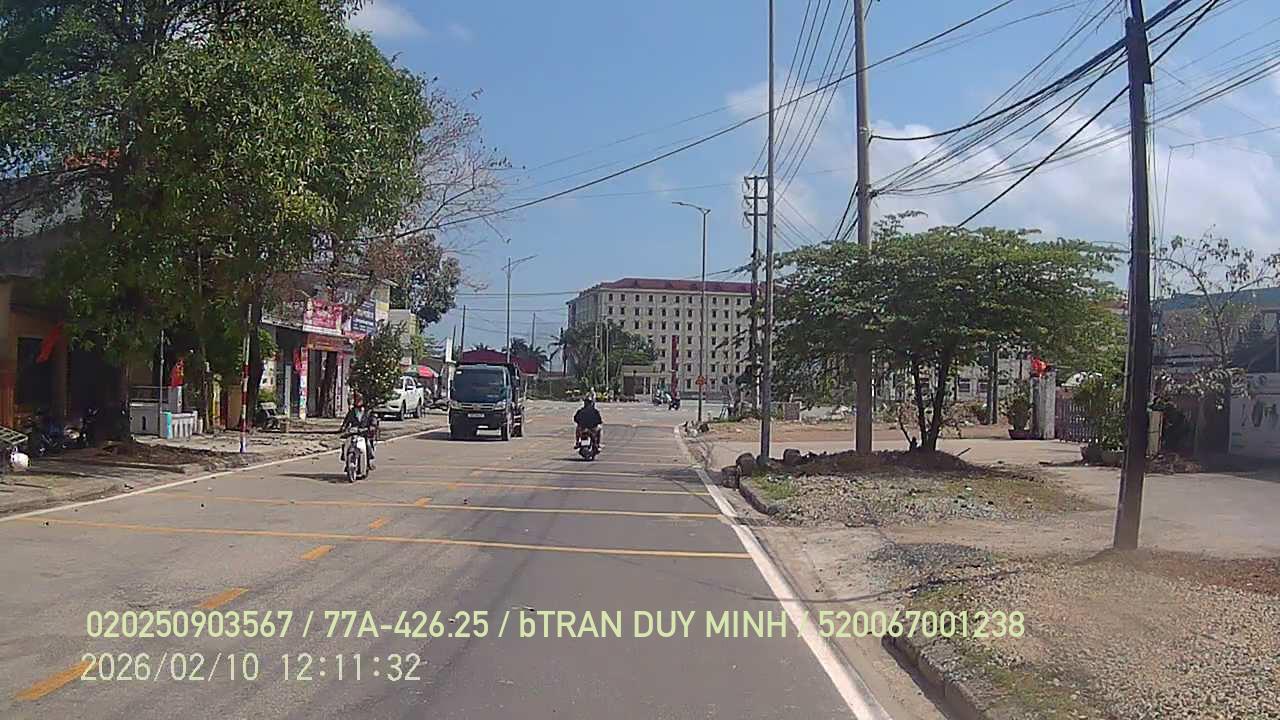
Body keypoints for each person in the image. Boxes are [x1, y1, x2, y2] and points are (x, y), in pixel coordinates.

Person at [340, 392, 376, 468]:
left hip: (364, 433)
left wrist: (372, 426)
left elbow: (373, 420)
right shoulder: (352, 411)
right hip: (353, 432)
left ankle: (369, 461)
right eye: (356, 400)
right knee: (346, 444)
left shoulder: (368, 411)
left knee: (368, 444)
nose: (358, 402)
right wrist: (343, 427)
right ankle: (347, 461)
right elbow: (346, 421)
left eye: (360, 400)